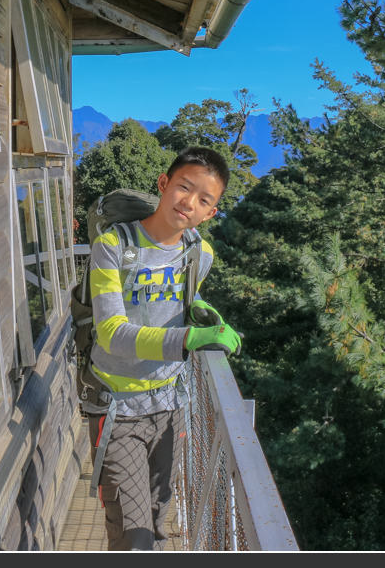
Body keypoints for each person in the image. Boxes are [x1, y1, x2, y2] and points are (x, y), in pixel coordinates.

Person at [87, 147, 243, 551]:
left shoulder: (199, 253)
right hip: (116, 407)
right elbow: (111, 333)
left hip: (172, 405)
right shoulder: (112, 245)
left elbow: (182, 299)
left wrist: (200, 311)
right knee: (133, 537)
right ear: (163, 183)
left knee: (158, 521)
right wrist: (189, 340)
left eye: (204, 200)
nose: (189, 202)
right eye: (184, 188)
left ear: (210, 213)